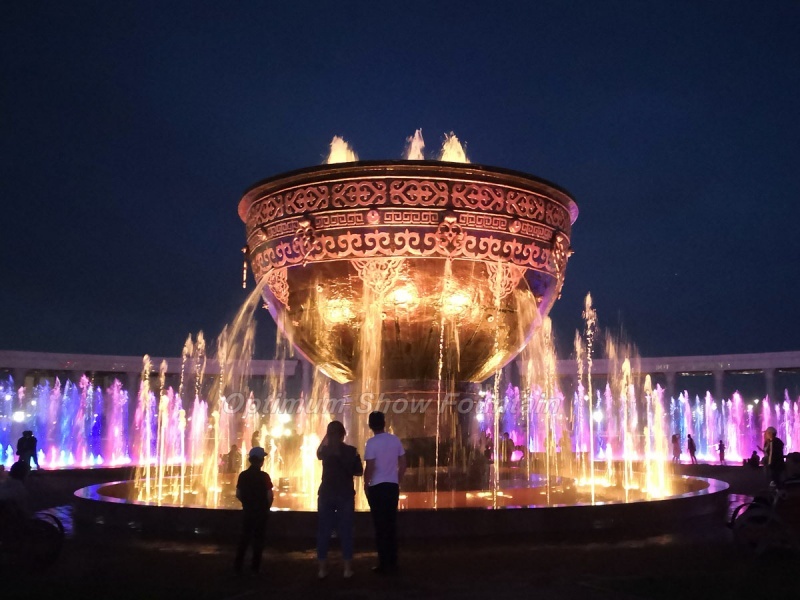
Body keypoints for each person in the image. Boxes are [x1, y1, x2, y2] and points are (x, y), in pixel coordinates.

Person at [316, 420, 363, 579]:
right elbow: (359, 472)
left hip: (326, 494)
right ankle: (347, 569)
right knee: (346, 530)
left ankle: (322, 570)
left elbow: (318, 452)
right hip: (345, 494)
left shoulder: (325, 451)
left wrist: (329, 436)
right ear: (344, 434)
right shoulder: (351, 451)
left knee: (323, 531)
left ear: (328, 435)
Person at [363, 411, 406, 575]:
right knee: (391, 523)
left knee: (380, 525)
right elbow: (403, 463)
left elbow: (370, 467)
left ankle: (383, 563)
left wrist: (366, 485)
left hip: (377, 487)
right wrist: (397, 479)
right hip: (391, 486)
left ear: (370, 425)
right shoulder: (395, 440)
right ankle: (393, 562)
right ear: (384, 423)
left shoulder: (371, 443)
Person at [234, 446, 274, 575]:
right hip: (261, 512)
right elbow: (269, 495)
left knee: (244, 538)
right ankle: (255, 567)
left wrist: (246, 503)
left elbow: (238, 493)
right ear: (261, 460)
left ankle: (238, 565)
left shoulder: (243, 475)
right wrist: (267, 507)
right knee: (258, 539)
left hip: (248, 511)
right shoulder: (264, 476)